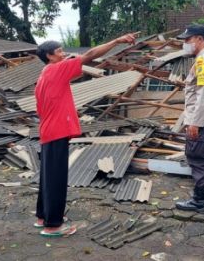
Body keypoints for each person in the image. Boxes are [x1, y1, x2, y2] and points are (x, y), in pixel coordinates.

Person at [33, 32, 138, 237]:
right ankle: (52, 226)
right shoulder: (57, 69)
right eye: (59, 51)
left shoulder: (43, 75)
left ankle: (42, 216)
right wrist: (116, 40)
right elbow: (90, 54)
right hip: (56, 132)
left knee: (48, 177)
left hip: (48, 130)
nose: (64, 54)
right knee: (56, 180)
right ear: (50, 56)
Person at [175, 24, 204, 213]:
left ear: (200, 39)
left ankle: (199, 201)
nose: (185, 44)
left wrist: (194, 122)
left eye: (188, 40)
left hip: (200, 119)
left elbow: (203, 93)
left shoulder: (203, 61)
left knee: (197, 157)